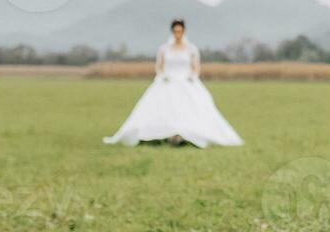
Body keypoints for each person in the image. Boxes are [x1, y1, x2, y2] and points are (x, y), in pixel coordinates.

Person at [102, 19, 244, 148]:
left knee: (191, 107)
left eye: (180, 31)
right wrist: (162, 76)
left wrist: (192, 77)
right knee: (160, 106)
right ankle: (159, 134)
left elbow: (195, 67)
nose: (178, 34)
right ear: (172, 32)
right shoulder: (164, 49)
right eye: (175, 31)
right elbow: (159, 66)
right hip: (168, 81)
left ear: (183, 31)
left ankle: (184, 135)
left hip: (186, 81)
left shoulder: (191, 49)